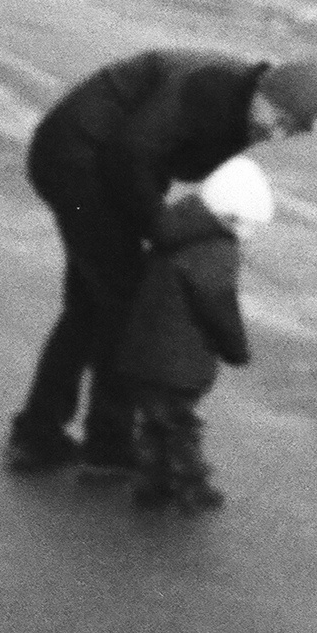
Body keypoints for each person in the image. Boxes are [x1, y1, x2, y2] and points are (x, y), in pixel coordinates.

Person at [5, 50, 317, 474]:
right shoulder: (211, 88)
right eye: (277, 115)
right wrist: (159, 224)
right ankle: (106, 445)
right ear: (264, 90)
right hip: (78, 160)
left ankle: (39, 434)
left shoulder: (242, 109)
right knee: (123, 303)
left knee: (90, 305)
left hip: (94, 163)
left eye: (290, 128)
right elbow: (131, 150)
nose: (275, 131)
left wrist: (160, 221)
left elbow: (161, 158)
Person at [105, 155, 272, 513]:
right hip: (178, 361)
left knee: (156, 420)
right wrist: (236, 349)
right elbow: (218, 307)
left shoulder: (177, 228)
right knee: (180, 424)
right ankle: (192, 486)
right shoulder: (217, 250)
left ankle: (153, 482)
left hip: (141, 352)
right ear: (233, 217)